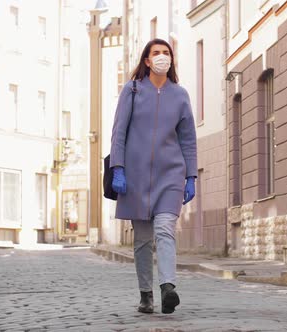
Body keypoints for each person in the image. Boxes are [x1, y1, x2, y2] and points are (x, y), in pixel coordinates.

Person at [109, 39, 197, 314]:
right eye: (156, 53)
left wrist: (191, 175)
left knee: (164, 230)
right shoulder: (132, 90)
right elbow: (119, 132)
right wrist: (118, 168)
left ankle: (167, 287)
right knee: (144, 239)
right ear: (147, 61)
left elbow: (188, 139)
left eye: (166, 53)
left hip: (170, 175)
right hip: (134, 176)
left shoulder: (180, 95)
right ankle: (146, 293)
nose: (162, 57)